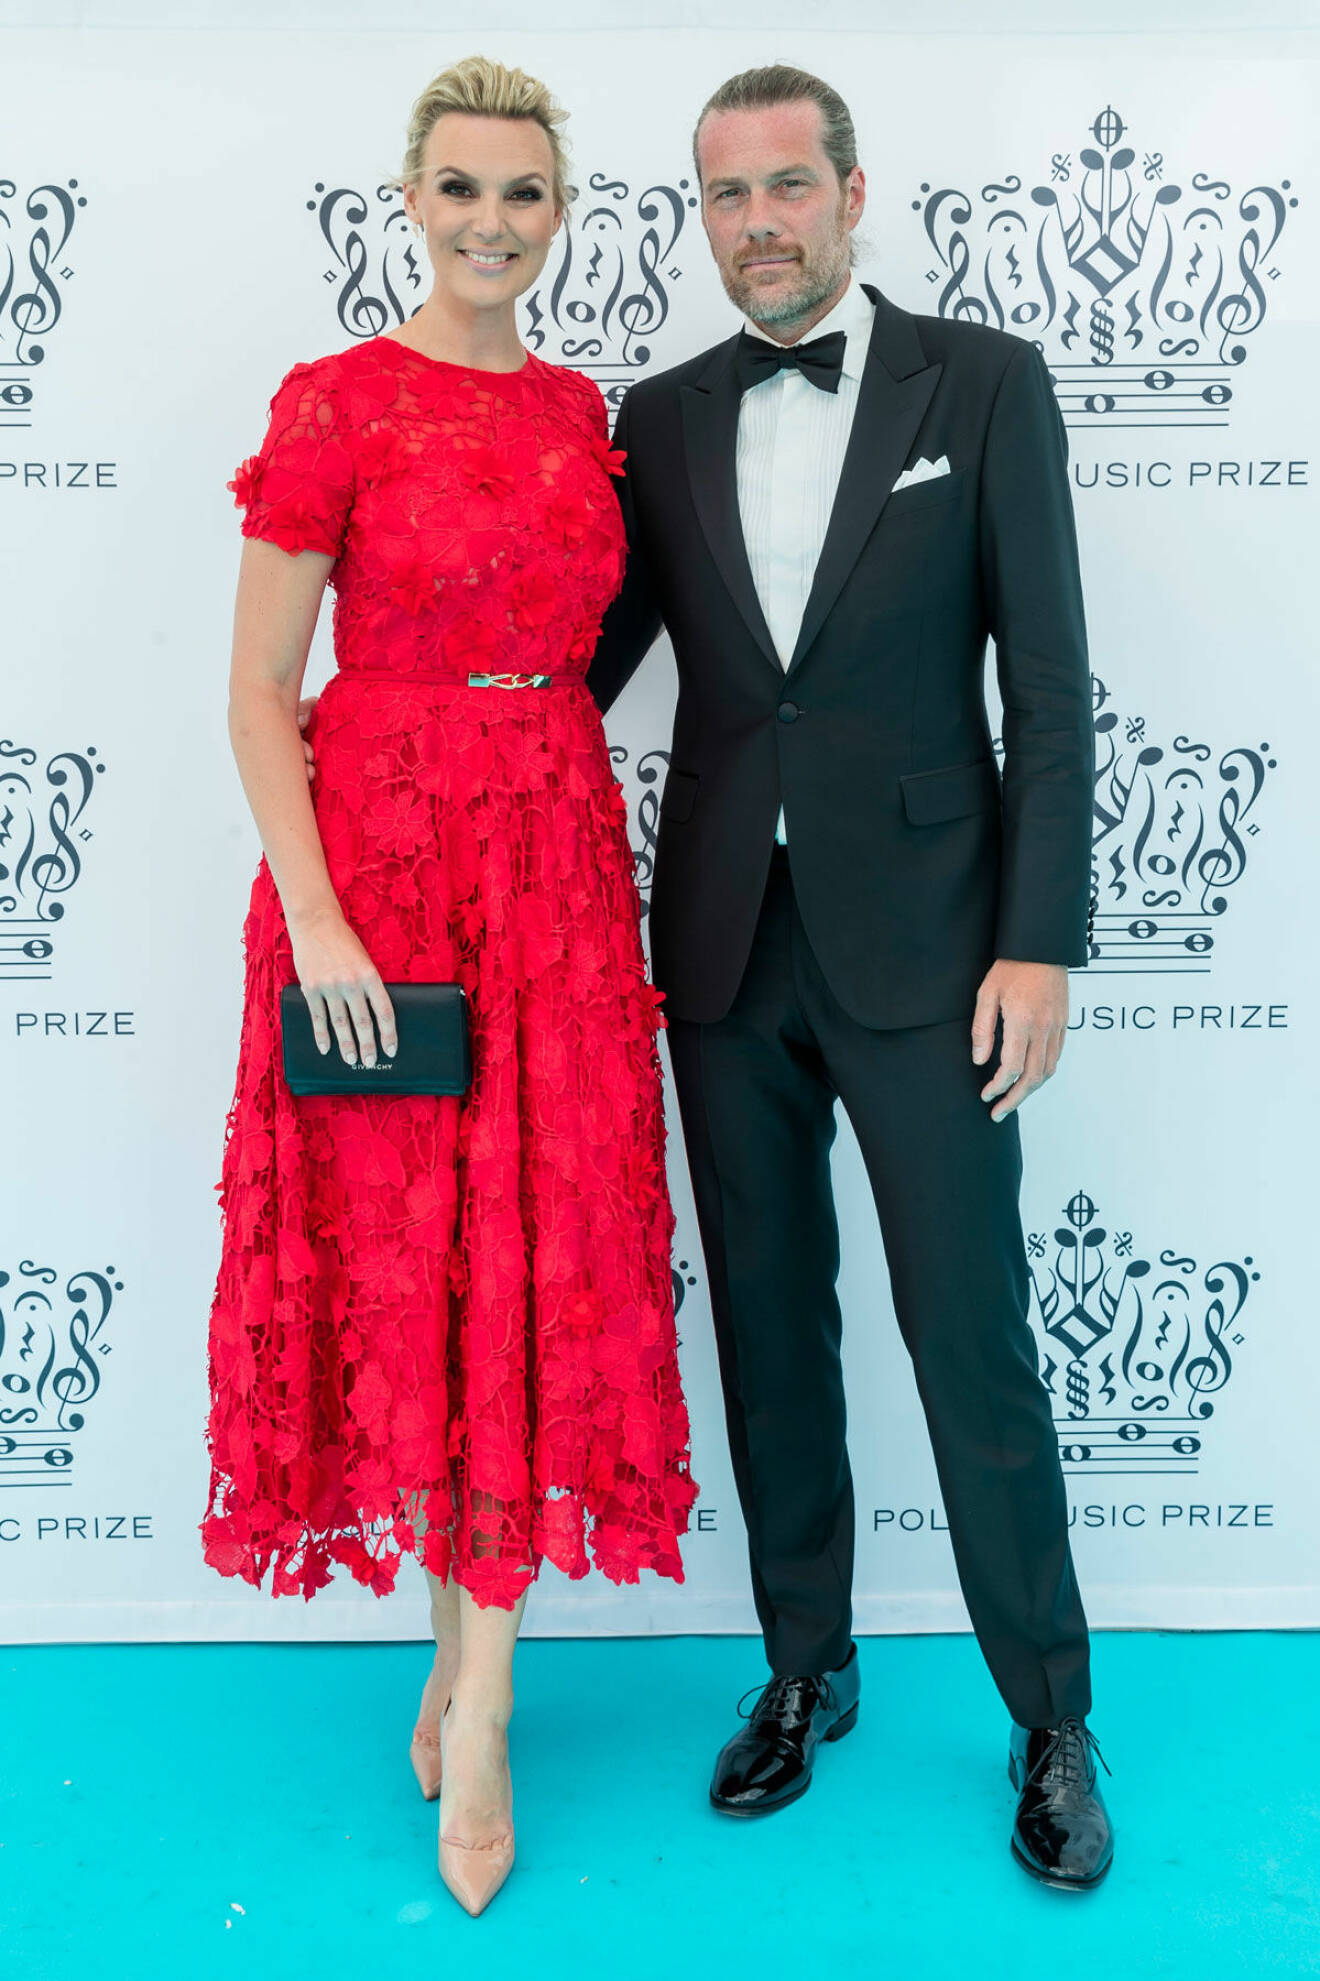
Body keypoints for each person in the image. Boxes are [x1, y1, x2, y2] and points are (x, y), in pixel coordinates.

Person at [584, 65, 1112, 1889]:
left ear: (854, 190)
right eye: (725, 196)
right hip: (726, 942)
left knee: (969, 1328)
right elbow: (580, 667)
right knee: (767, 1324)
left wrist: (1040, 937)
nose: (758, 224)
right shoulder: (653, 416)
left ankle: (1052, 1710)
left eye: (787, 187)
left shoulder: (986, 382)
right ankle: (807, 1665)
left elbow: (1052, 687)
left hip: (941, 945)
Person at [202, 56, 695, 1918]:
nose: (495, 222)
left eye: (527, 193)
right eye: (465, 188)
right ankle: (464, 1672)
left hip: (554, 874)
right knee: (417, 1268)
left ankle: (480, 1694)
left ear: (562, 215)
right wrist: (320, 919)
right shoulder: (333, 404)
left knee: (534, 1266)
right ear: (411, 200)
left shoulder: (580, 415)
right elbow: (259, 691)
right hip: (379, 885)